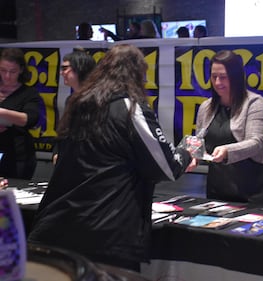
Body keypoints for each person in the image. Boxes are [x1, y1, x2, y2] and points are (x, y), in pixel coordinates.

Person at [28, 44, 193, 271]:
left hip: (58, 225)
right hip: (104, 233)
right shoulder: (129, 108)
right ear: (137, 75)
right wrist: (186, 155)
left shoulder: (79, 104)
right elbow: (165, 167)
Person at [193, 50, 263, 205]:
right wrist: (192, 156)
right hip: (218, 189)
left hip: (253, 191)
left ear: (236, 77)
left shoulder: (255, 103)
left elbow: (256, 142)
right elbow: (198, 142)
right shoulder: (206, 107)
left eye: (223, 77)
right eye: (214, 77)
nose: (218, 82)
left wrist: (227, 151)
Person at [0, 48, 41, 180]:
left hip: (17, 155)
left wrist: (3, 113)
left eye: (12, 72)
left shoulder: (28, 93)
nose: (7, 76)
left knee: (10, 197)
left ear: (21, 70)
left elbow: (29, 119)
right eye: (3, 70)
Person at [52, 47, 96, 164]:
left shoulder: (96, 100)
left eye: (65, 68)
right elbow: (65, 131)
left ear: (80, 68)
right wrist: (58, 152)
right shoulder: (71, 99)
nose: (62, 73)